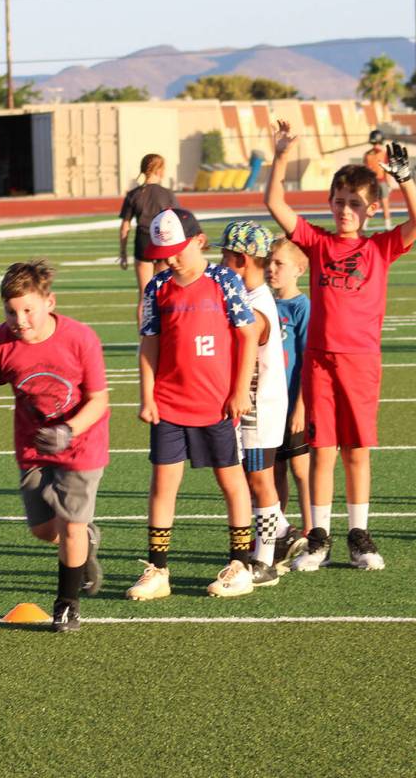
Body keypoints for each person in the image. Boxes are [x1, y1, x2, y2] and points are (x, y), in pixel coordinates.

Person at [265, 121, 416, 571]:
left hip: (360, 361)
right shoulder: (317, 243)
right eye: (339, 202)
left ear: (371, 210)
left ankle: (359, 533)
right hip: (320, 361)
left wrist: (405, 179)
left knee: (356, 451)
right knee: (322, 451)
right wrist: (281, 155)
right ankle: (319, 536)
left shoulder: (380, 248)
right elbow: (275, 203)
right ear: (330, 202)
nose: (345, 210)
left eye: (355, 204)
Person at [0, 260, 110, 633]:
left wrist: (69, 430)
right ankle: (86, 539)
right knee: (44, 530)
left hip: (81, 445)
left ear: (49, 303)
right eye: (11, 311)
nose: (20, 320)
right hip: (32, 445)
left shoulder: (80, 338)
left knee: (71, 524)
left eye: (28, 310)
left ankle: (67, 605)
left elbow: (100, 400)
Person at [125, 208, 259, 601]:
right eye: (162, 252)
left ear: (199, 241)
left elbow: (247, 335)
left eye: (176, 249)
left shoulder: (225, 281)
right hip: (169, 404)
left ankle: (240, 565)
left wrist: (240, 391)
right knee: (163, 485)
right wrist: (147, 395)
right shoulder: (158, 287)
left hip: (215, 405)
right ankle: (158, 571)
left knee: (231, 482)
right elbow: (150, 343)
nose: (169, 258)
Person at [216, 221, 305, 586]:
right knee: (247, 477)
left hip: (259, 407)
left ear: (240, 259)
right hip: (249, 405)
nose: (219, 264)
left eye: (224, 257)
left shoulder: (256, 302)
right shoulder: (244, 294)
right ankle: (282, 532)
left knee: (259, 479)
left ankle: (265, 558)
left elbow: (250, 331)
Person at [267, 237, 313, 539]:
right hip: (269, 402)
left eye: (279, 263)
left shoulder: (301, 306)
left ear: (299, 269)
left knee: (300, 469)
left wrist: (301, 405)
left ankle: (312, 528)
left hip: (293, 400)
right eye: (268, 262)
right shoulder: (263, 302)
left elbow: (309, 360)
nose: (271, 269)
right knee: (275, 471)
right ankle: (278, 531)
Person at [118, 154, 178, 319]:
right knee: (165, 292)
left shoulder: (134, 194)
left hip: (142, 243)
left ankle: (143, 341)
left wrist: (122, 253)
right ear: (159, 170)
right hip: (162, 242)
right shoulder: (167, 194)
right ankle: (164, 336)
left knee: (145, 296)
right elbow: (177, 222)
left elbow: (125, 227)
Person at [363, 130, 393, 231]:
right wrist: (389, 184)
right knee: (385, 204)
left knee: (369, 204)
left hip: (371, 182)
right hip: (381, 181)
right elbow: (386, 170)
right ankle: (387, 225)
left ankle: (364, 225)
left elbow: (365, 170)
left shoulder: (367, 154)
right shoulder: (384, 154)